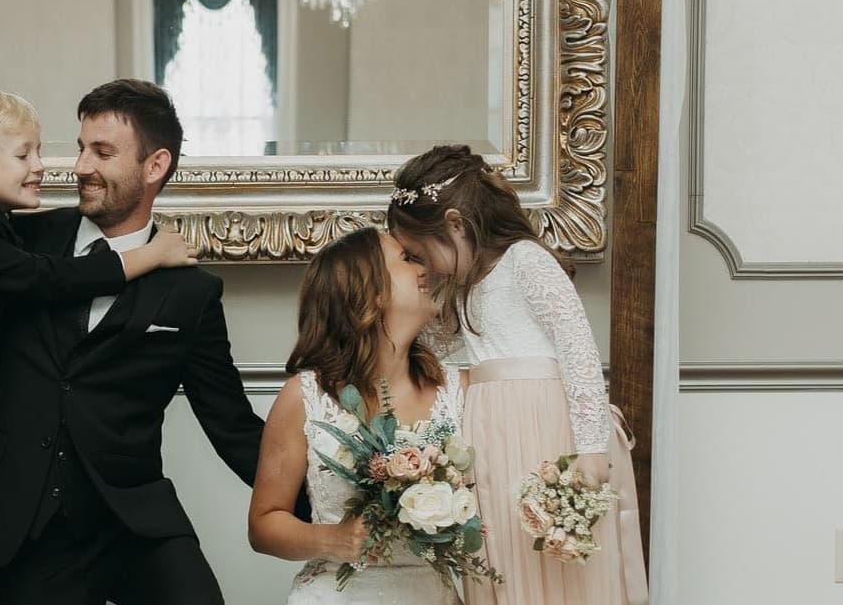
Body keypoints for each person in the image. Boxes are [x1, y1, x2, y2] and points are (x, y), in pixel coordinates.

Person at [0, 79, 271, 605]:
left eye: (102, 152)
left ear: (154, 166)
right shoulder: (16, 239)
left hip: (134, 522)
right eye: (80, 146)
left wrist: (338, 498)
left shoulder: (192, 291)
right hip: (22, 529)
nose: (79, 166)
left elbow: (233, 425)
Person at [386, 145, 648, 605]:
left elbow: (579, 352)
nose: (421, 265)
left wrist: (590, 451)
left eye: (419, 252)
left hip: (547, 428)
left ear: (455, 224)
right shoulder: (460, 290)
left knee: (558, 565)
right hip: (490, 436)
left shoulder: (526, 261)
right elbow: (442, 356)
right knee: (506, 555)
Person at [248, 227, 464, 605]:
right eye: (408, 259)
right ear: (370, 294)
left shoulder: (460, 391)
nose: (426, 268)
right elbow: (264, 523)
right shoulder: (305, 398)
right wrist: (333, 539)